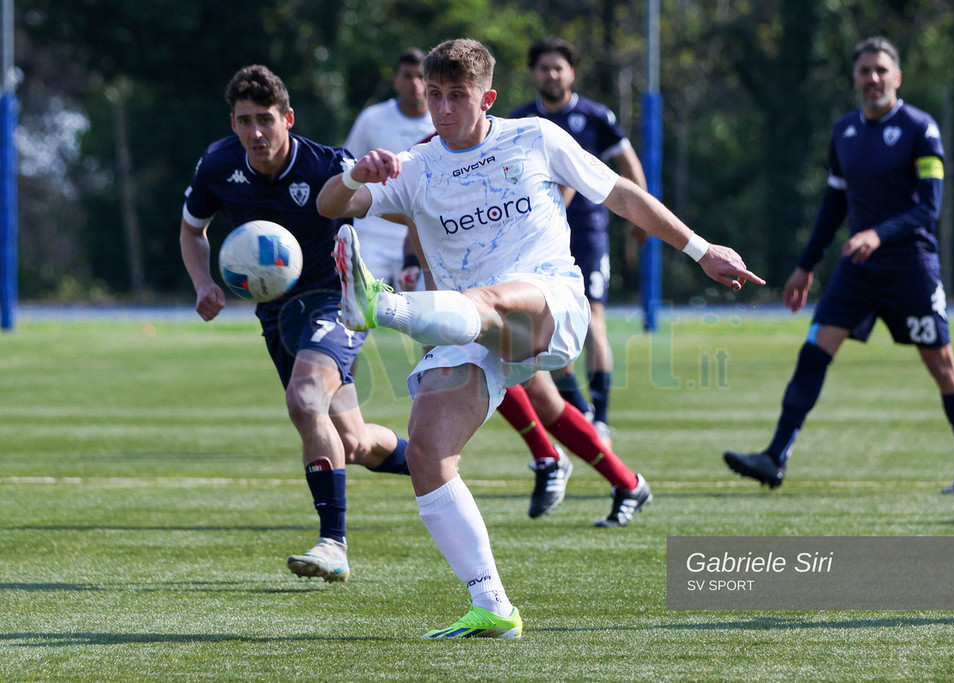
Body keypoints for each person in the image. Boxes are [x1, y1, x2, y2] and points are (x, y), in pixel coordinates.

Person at [317, 38, 762, 639]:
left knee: (490, 301)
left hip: (550, 303)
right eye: (435, 95)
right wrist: (354, 174)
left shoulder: (534, 138)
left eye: (457, 96)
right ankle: (492, 605)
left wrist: (701, 250)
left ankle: (382, 306)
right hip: (471, 330)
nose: (443, 108)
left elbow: (621, 194)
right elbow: (331, 205)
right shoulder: (416, 165)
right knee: (427, 452)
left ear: (488, 98)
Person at [179, 65, 413, 586]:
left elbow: (406, 209)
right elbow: (193, 230)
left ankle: (333, 543)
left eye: (265, 119)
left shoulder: (327, 165)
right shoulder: (218, 165)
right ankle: (428, 461)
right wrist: (203, 283)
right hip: (277, 313)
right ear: (233, 124)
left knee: (305, 401)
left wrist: (423, 256)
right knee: (352, 442)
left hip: (338, 300)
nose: (256, 132)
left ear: (288, 118)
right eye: (244, 121)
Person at [723, 37, 954, 496]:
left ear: (897, 77)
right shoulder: (844, 132)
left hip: (911, 267)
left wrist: (879, 233)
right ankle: (774, 458)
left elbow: (929, 208)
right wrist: (805, 265)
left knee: (941, 363)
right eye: (865, 71)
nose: (873, 79)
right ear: (855, 79)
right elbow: (834, 203)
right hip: (858, 270)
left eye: (881, 70)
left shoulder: (921, 129)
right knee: (813, 353)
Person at [508, 37, 648, 445]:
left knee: (593, 320)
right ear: (534, 74)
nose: (551, 75)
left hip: (586, 233)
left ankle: (599, 418)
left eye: (558, 67)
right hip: (537, 239)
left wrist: (642, 213)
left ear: (571, 72)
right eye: (544, 68)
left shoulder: (594, 116)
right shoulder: (521, 121)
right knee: (545, 330)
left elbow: (627, 161)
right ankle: (580, 409)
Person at [345, 48, 437, 288]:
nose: (414, 83)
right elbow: (347, 166)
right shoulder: (372, 118)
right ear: (396, 81)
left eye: (420, 76)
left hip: (423, 238)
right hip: (373, 235)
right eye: (408, 76)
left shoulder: (443, 122)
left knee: (426, 309)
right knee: (364, 308)